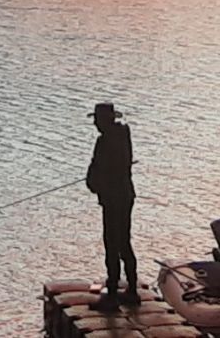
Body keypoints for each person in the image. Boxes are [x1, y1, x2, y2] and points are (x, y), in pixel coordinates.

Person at [86, 101, 138, 309]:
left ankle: (113, 294)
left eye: (98, 121)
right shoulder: (123, 135)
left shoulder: (105, 141)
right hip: (126, 196)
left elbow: (98, 168)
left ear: (105, 121)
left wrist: (93, 182)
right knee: (124, 241)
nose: (96, 125)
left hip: (113, 198)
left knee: (112, 242)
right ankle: (132, 290)